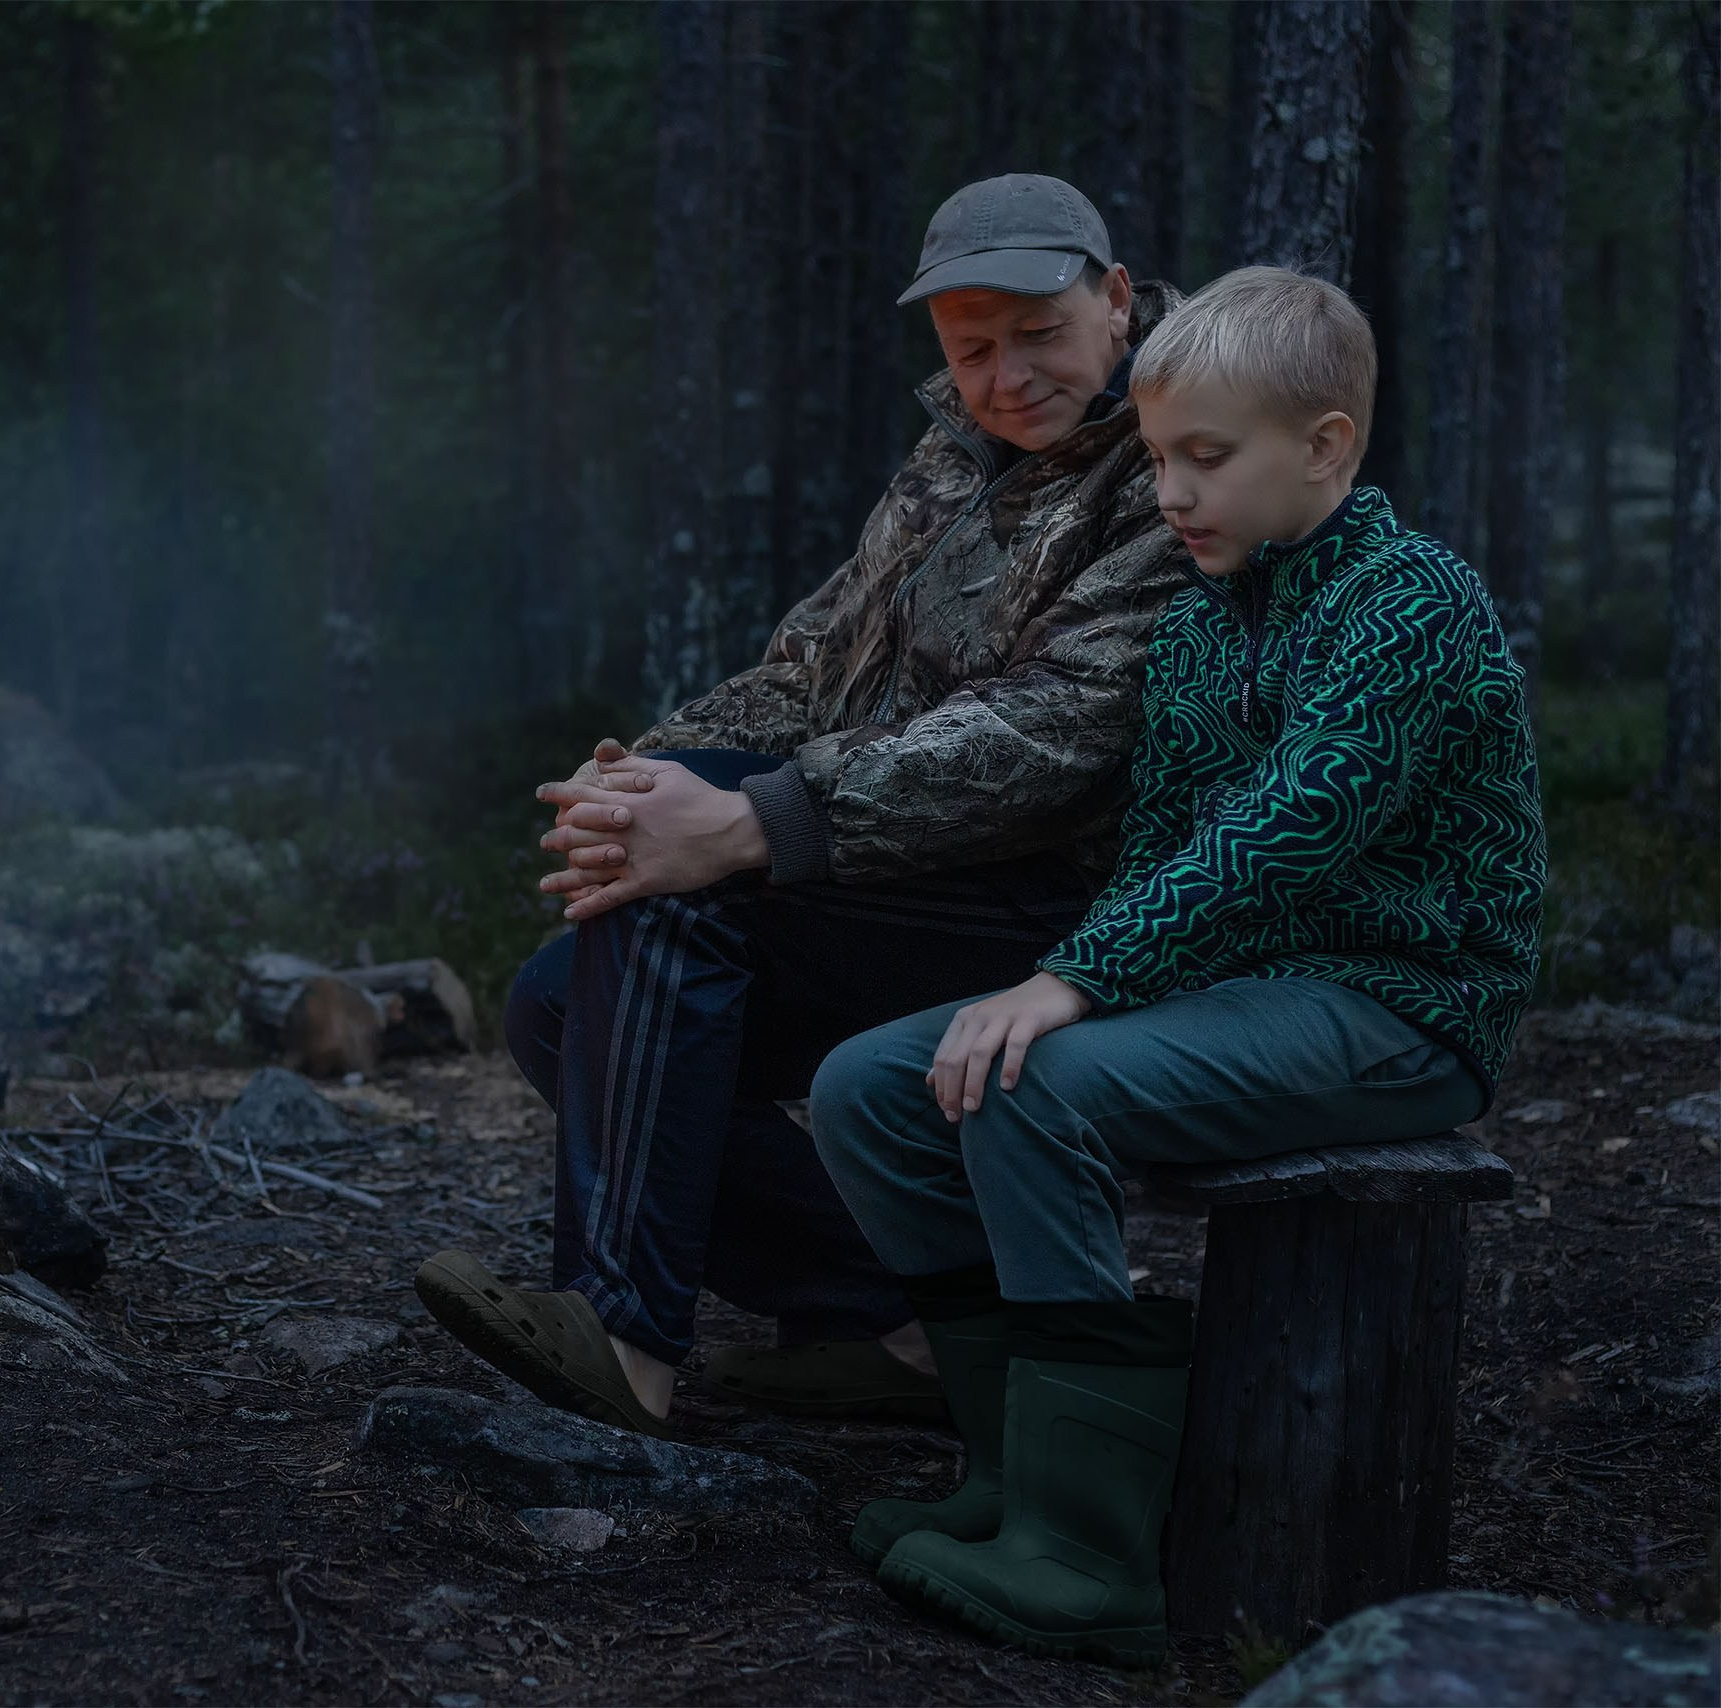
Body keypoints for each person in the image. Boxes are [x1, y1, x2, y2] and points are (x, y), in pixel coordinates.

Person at [805, 266, 1548, 1665]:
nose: (1171, 494)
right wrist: (1074, 978)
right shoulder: (1206, 620)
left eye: (1205, 457)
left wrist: (1072, 983)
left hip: (1401, 1002)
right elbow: (1164, 842)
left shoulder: (1414, 603)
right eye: (1155, 460)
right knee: (871, 1087)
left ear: (1325, 445)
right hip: (1241, 993)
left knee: (1033, 1082)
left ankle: (1091, 1558)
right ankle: (1011, 1474)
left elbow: (1292, 828)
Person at [413, 174, 1197, 1437]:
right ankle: (908, 1319)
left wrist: (748, 823)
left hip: (1086, 909)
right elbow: (811, 670)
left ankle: (622, 1337)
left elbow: (1065, 731)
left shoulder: (1180, 445)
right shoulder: (958, 455)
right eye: (972, 349)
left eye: (1039, 334)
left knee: (692, 885)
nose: (1006, 377)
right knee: (557, 1003)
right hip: (921, 863)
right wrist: (647, 774)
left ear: (1113, 300)